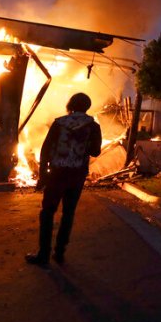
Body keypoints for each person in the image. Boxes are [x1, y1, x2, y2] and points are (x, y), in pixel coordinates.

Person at [25, 92, 102, 266]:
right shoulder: (93, 126)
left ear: (71, 105)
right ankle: (60, 253)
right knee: (68, 213)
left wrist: (43, 174)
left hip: (57, 173)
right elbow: (96, 151)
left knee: (47, 212)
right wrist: (83, 143)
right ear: (87, 107)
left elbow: (45, 151)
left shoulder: (59, 123)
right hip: (77, 175)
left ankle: (43, 254)